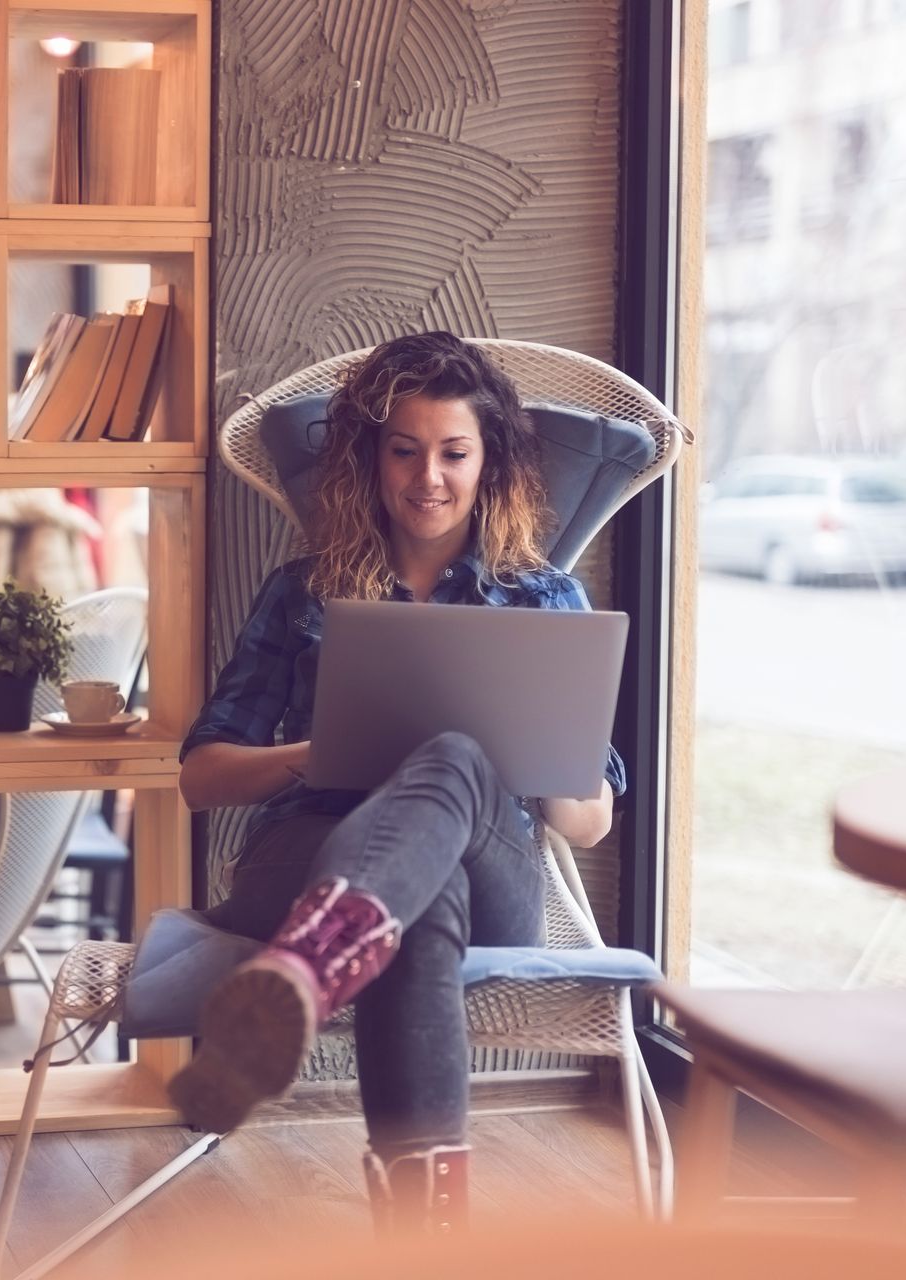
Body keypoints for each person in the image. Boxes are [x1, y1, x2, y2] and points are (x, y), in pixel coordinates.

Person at [172, 331, 627, 1231]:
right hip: (304, 852)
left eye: (454, 453)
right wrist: (321, 750)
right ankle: (425, 1233)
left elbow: (588, 824)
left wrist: (530, 757)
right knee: (418, 912)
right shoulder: (304, 592)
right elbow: (201, 777)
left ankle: (305, 969)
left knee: (454, 758)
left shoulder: (539, 599)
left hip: (487, 861)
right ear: (369, 459)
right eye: (405, 450)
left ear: (488, 462)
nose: (429, 478)